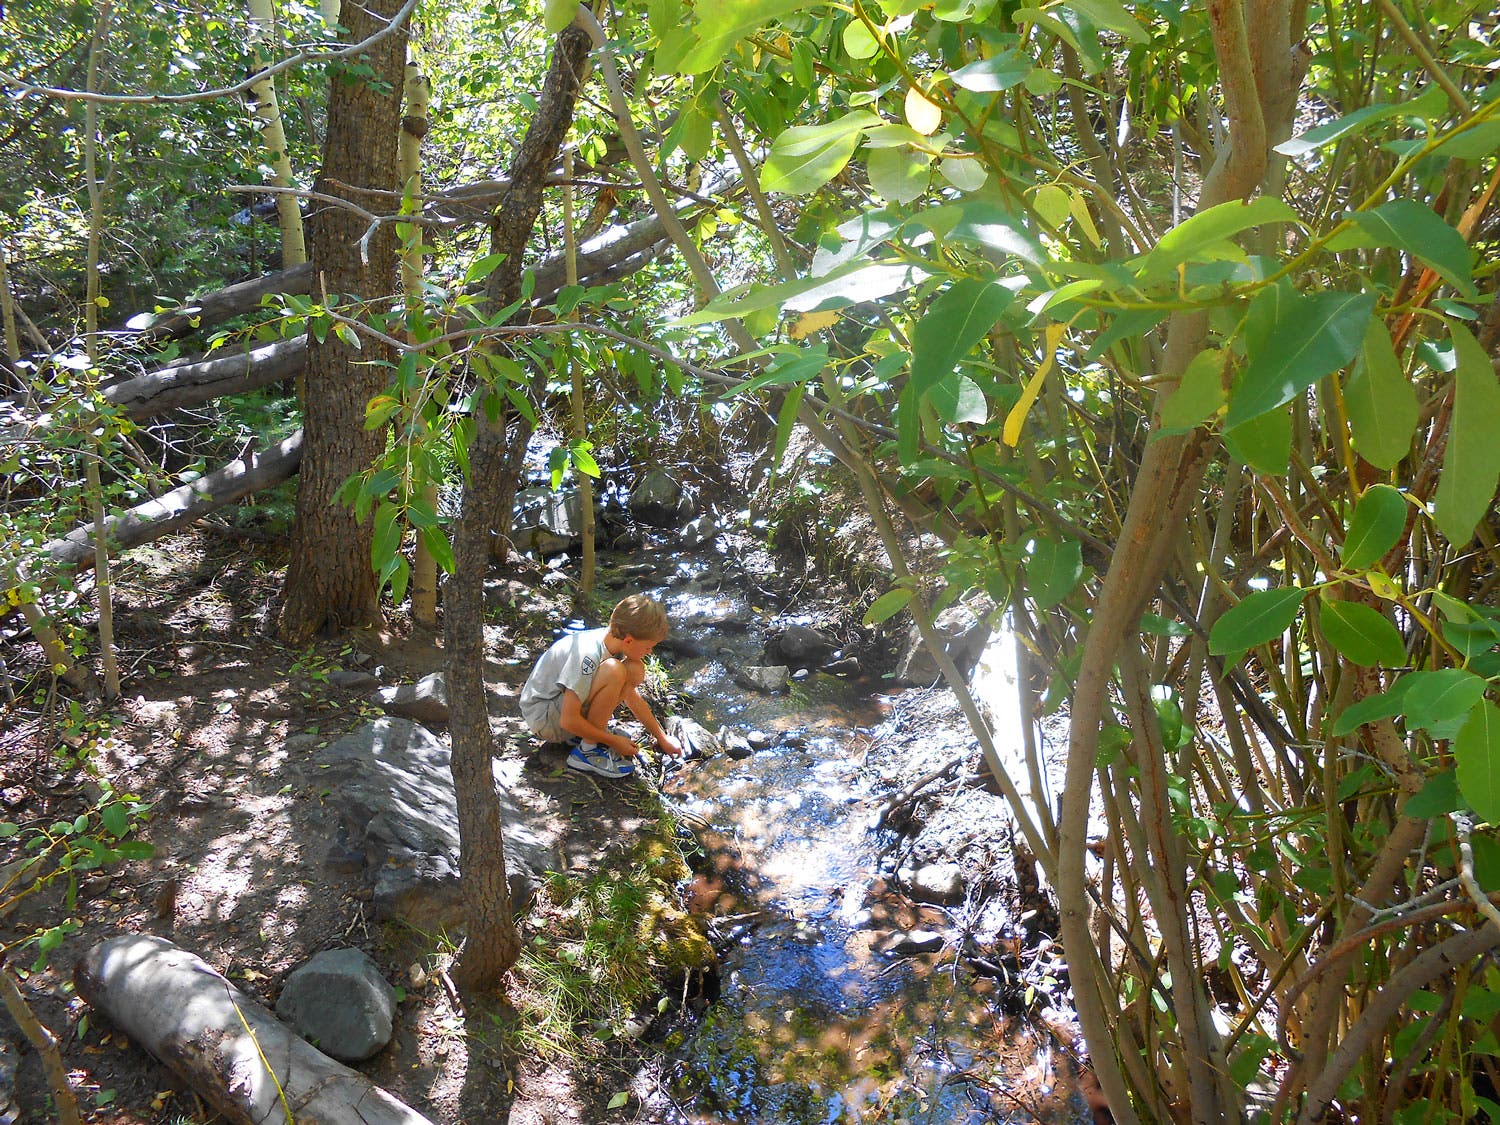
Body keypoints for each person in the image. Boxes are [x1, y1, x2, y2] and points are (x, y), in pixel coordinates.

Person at [519, 594, 683, 778]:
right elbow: (568, 720)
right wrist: (613, 741)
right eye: (647, 647)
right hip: (545, 718)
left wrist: (662, 738)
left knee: (634, 669)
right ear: (629, 640)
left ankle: (588, 735)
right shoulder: (588, 654)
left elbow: (632, 697)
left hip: (559, 710)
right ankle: (587, 752)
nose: (649, 652)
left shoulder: (612, 642)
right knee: (615, 670)